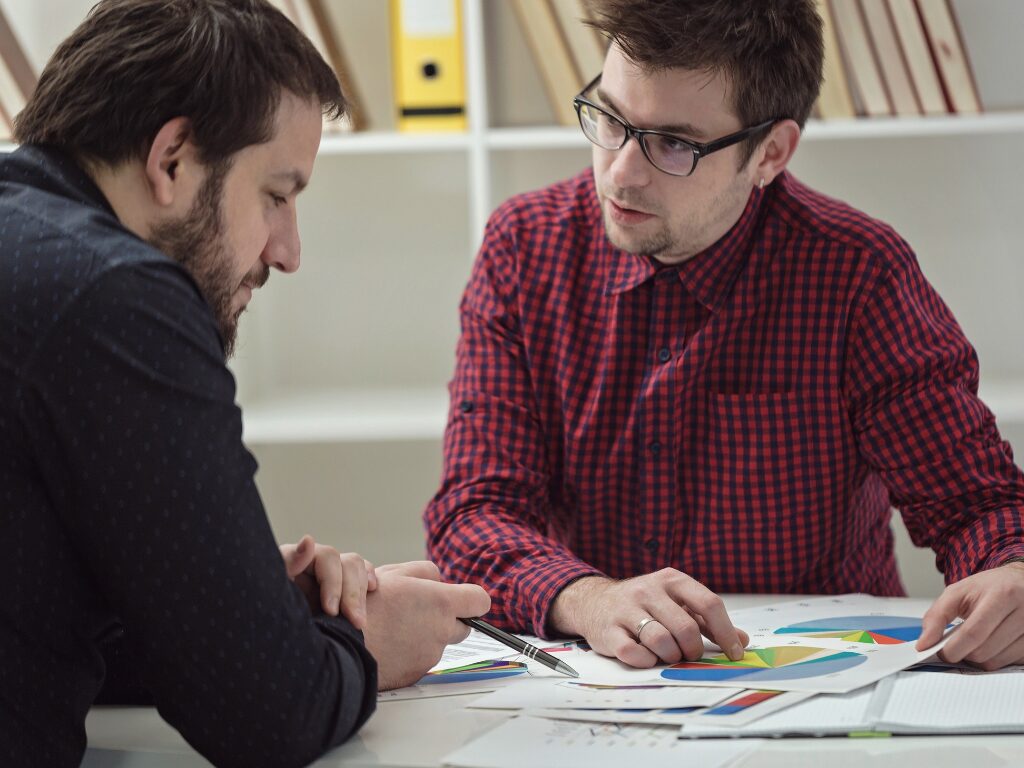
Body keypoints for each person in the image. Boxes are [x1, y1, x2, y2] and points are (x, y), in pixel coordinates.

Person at [425, 0, 1024, 673]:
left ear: (770, 153)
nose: (623, 171)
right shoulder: (524, 249)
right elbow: (473, 513)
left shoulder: (858, 274)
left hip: (817, 684)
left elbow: (976, 505)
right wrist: (588, 599)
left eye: (673, 143)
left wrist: (1013, 571)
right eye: (612, 120)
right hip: (599, 680)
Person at [0, 2, 489, 767]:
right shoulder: (115, 297)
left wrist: (250, 608)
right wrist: (360, 637)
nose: (288, 252)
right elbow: (271, 718)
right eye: (276, 195)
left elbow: (37, 615)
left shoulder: (29, 250)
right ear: (173, 159)